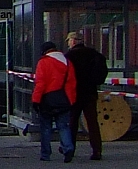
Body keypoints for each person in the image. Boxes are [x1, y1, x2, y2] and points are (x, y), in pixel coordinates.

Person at [31, 41, 77, 162]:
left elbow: (40, 83)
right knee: (63, 126)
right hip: (64, 99)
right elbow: (72, 83)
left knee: (46, 128)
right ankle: (68, 148)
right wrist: (71, 100)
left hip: (47, 100)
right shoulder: (67, 62)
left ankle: (45, 154)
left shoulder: (43, 62)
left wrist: (36, 100)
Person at [65, 31, 108, 160]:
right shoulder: (94, 54)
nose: (68, 43)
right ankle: (97, 150)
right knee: (92, 122)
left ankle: (70, 150)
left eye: (69, 41)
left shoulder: (69, 56)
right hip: (90, 93)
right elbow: (101, 74)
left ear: (73, 41)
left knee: (72, 122)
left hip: (75, 93)